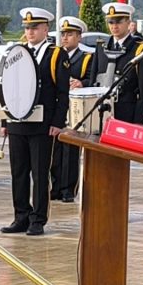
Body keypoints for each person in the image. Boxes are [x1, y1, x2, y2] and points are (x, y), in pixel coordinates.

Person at [0, 8, 69, 237]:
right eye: (27, 28)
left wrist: (58, 122)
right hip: (18, 122)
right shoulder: (16, 53)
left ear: (46, 29)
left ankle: (38, 219)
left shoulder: (56, 54)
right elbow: (6, 87)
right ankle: (20, 216)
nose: (30, 32)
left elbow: (62, 92)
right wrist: (4, 120)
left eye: (35, 27)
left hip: (42, 123)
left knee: (40, 174)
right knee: (18, 172)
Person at [50, 16, 94, 203]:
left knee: (71, 150)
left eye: (70, 34)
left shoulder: (86, 58)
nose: (65, 37)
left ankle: (69, 189)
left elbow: (94, 79)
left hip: (76, 108)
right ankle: (56, 186)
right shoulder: (54, 55)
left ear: (79, 37)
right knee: (55, 149)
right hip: (58, 106)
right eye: (63, 34)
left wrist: (82, 82)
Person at [95, 2, 143, 125]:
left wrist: (138, 121)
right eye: (111, 22)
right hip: (100, 114)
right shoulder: (100, 47)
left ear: (128, 22)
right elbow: (93, 82)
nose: (114, 26)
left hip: (126, 114)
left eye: (119, 21)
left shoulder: (139, 50)